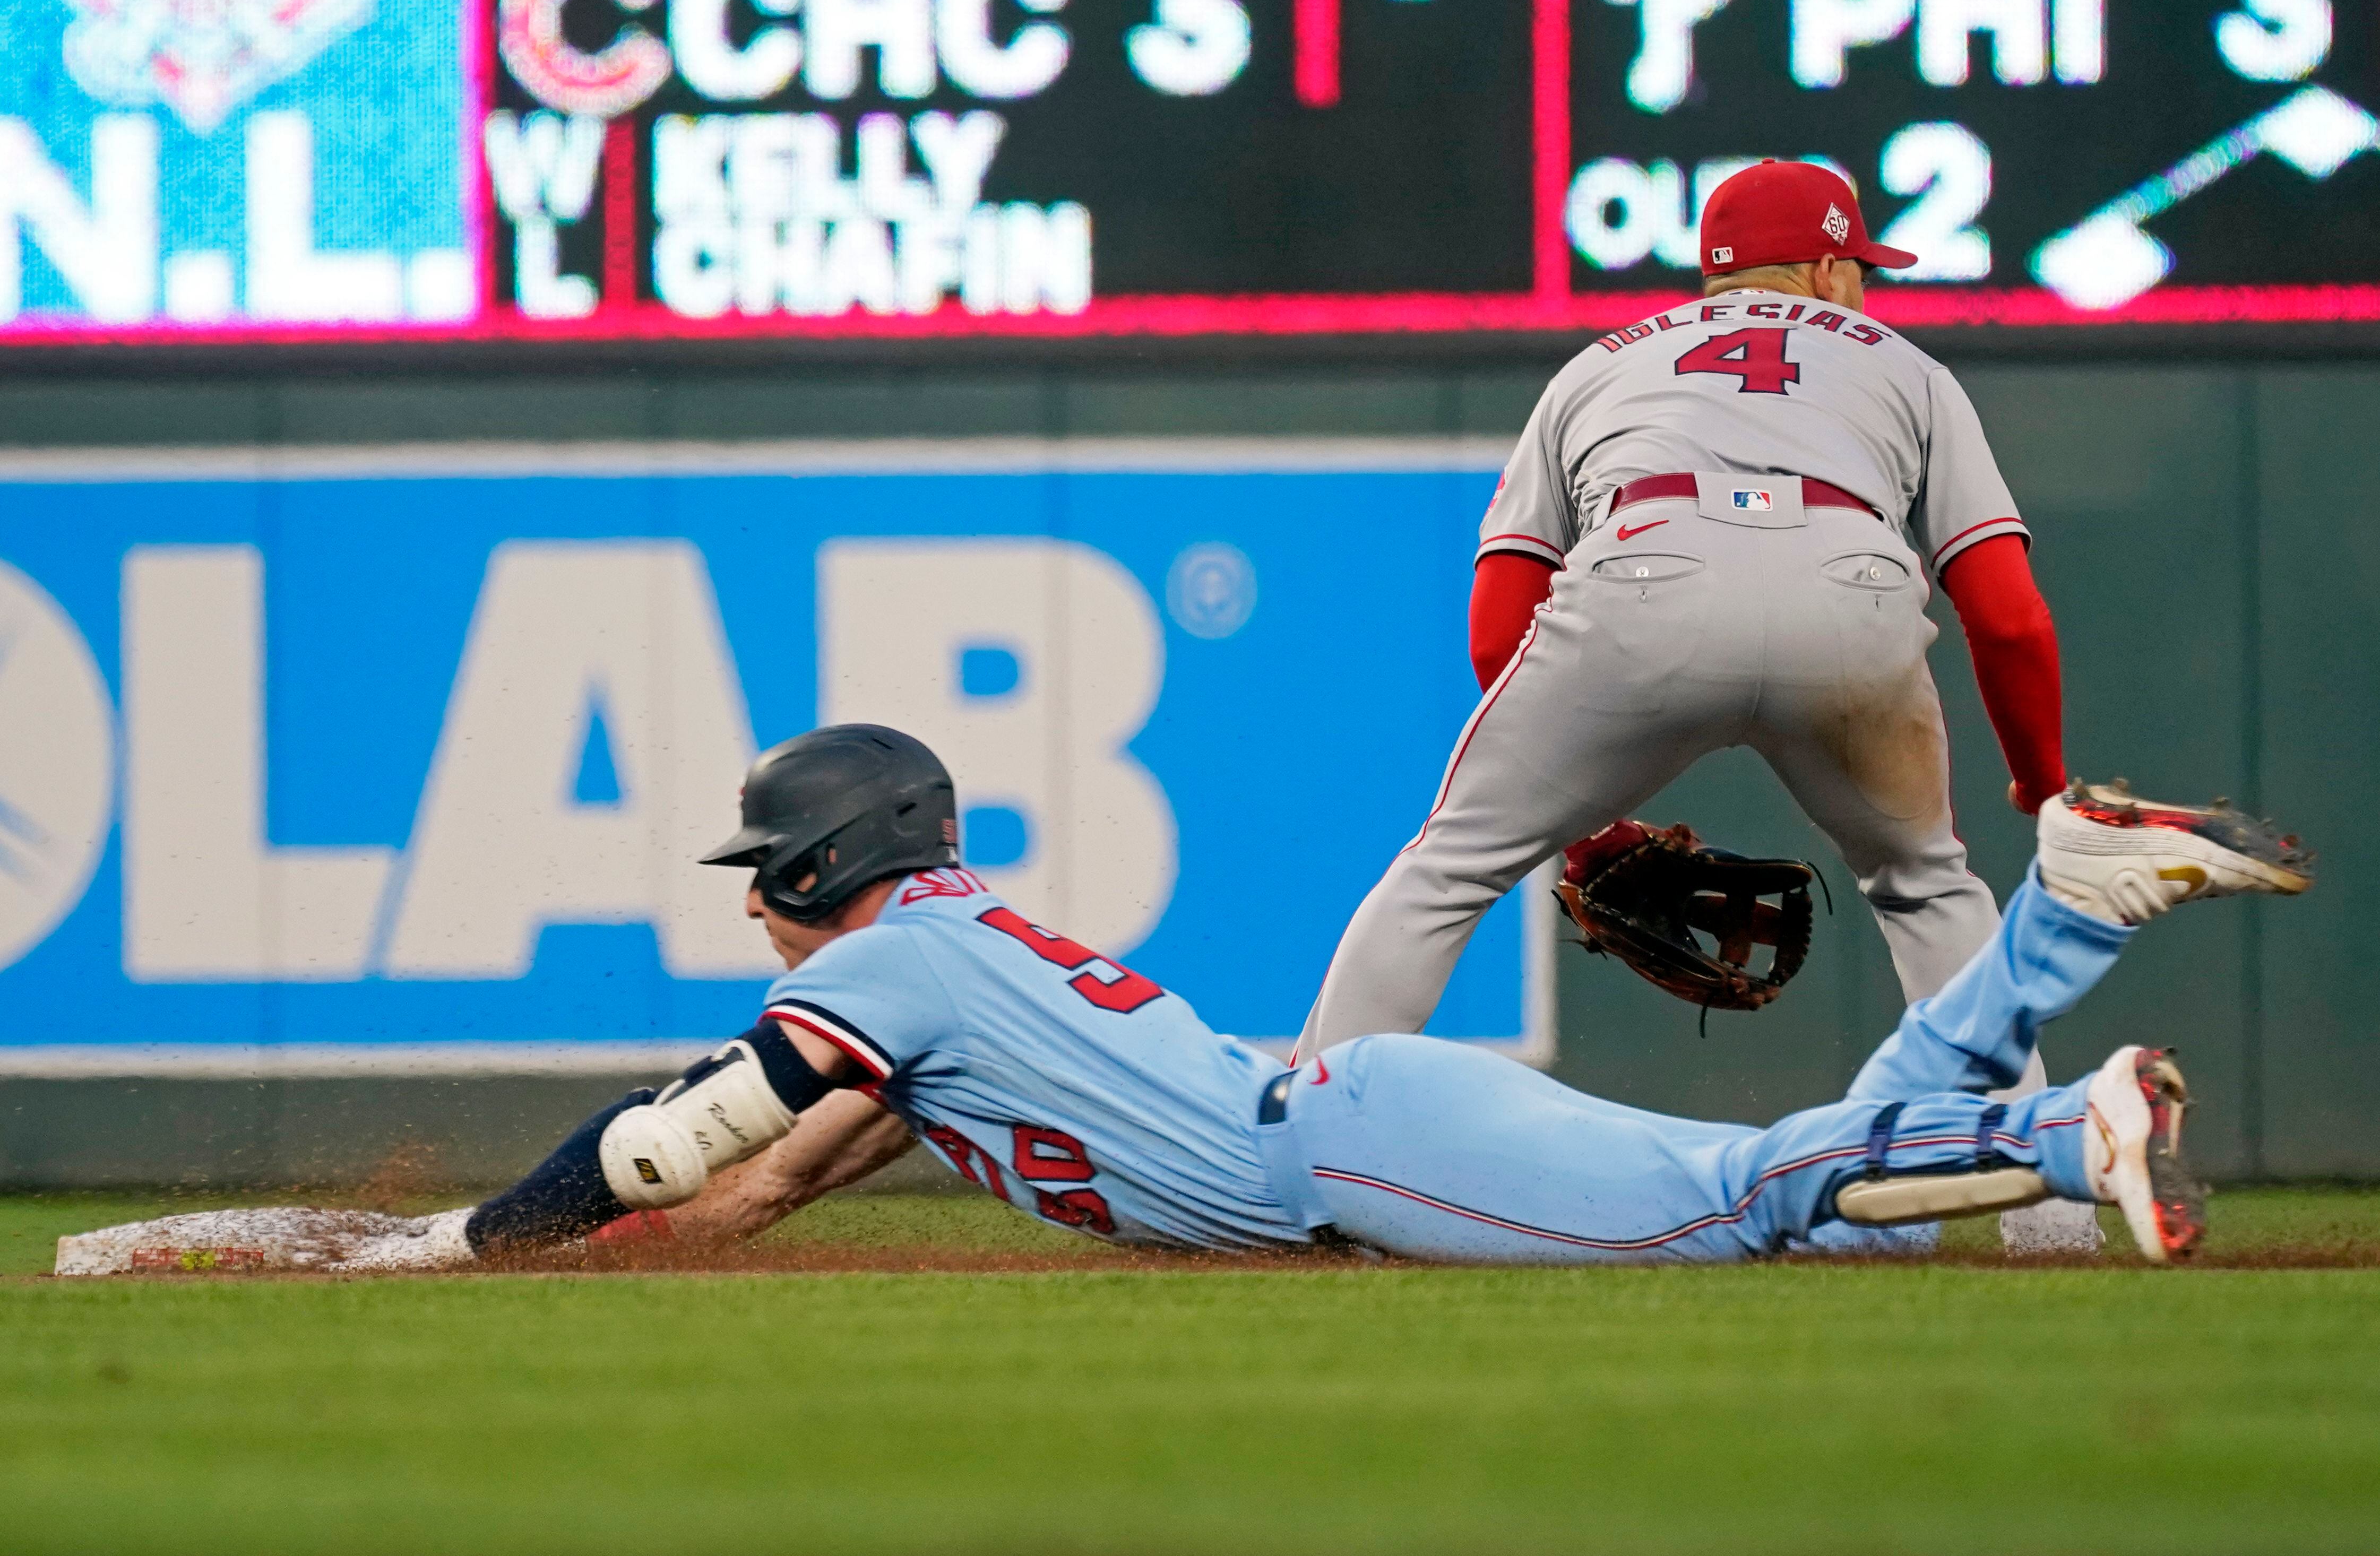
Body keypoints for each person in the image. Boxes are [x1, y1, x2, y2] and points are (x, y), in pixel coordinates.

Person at [57, 725, 2311, 1276]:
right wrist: (418, 1273)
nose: (761, 908)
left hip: (1335, 1139)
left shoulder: (901, 958)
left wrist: (461, 1242)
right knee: (1764, 1189)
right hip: (1340, 1124)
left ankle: (2044, 1120)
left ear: (835, 865)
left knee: (1743, 1204)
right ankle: (2068, 921)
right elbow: (737, 1206)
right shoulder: (929, 986)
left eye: (773, 874)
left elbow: (678, 1147)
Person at [1290, 159, 2085, 1250]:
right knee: (1925, 884)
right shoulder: (1909, 371)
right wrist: (2039, 779)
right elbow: (2007, 616)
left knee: (1449, 866)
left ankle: (1286, 1162)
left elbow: (1499, 616)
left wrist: (1580, 822)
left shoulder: (1598, 366)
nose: (1864, 286)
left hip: (1643, 578)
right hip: (1848, 586)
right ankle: (2042, 1224)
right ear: (1821, 263)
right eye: (1860, 265)